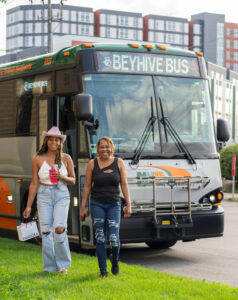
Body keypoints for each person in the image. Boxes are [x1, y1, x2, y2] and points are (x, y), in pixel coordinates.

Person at [23, 126, 75, 274]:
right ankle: (50, 268)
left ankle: (62, 264)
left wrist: (62, 177)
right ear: (46, 141)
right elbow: (34, 183)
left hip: (61, 194)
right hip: (44, 194)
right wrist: (28, 206)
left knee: (59, 229)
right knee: (46, 232)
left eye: (56, 140)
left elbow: (73, 180)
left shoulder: (66, 158)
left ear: (60, 142)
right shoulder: (37, 159)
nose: (53, 142)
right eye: (50, 139)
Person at [80, 137, 131, 277]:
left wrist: (128, 205)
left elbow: (124, 184)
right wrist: (83, 207)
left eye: (107, 147)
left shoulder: (118, 163)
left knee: (114, 238)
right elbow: (87, 186)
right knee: (100, 237)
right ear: (98, 149)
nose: (104, 149)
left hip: (114, 204)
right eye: (102, 147)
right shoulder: (92, 164)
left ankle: (114, 260)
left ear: (111, 148)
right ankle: (103, 271)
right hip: (97, 204)